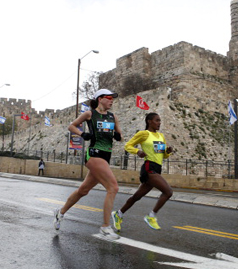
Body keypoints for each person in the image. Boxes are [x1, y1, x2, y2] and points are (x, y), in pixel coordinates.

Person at [53, 89, 122, 240]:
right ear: (100, 99)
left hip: (106, 154)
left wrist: (118, 135)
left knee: (83, 190)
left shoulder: (113, 117)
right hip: (94, 154)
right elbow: (71, 126)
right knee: (113, 187)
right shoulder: (90, 114)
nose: (112, 101)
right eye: (109, 98)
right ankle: (105, 227)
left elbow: (120, 135)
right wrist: (82, 134)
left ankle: (60, 212)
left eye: (112, 99)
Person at [112, 112, 173, 232]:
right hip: (149, 168)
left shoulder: (161, 136)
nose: (159, 123)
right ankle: (151, 216)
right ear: (149, 121)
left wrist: (168, 151)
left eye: (160, 120)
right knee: (168, 192)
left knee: (136, 197)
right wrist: (138, 152)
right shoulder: (144, 134)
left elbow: (164, 156)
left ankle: (118, 214)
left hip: (157, 168)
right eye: (157, 120)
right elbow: (127, 145)